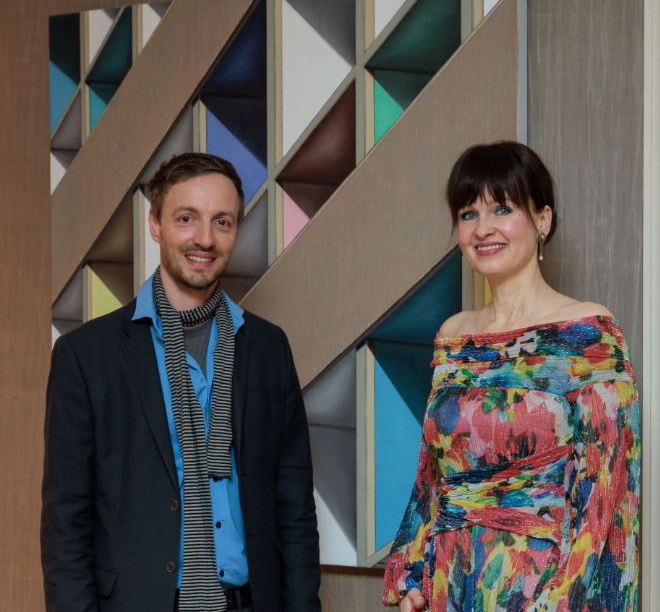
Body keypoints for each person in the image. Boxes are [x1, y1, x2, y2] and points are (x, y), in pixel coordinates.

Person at [41, 153, 321, 612]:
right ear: (155, 224)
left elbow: (295, 509)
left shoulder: (268, 348)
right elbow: (66, 522)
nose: (205, 239)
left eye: (223, 222)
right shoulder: (86, 356)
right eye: (186, 218)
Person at [383, 141, 639, 612]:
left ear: (542, 219)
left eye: (501, 208)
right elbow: (431, 477)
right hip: (450, 584)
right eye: (468, 214)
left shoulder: (586, 332)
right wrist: (413, 570)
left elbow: (608, 496)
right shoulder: (453, 336)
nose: (483, 229)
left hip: (544, 589)